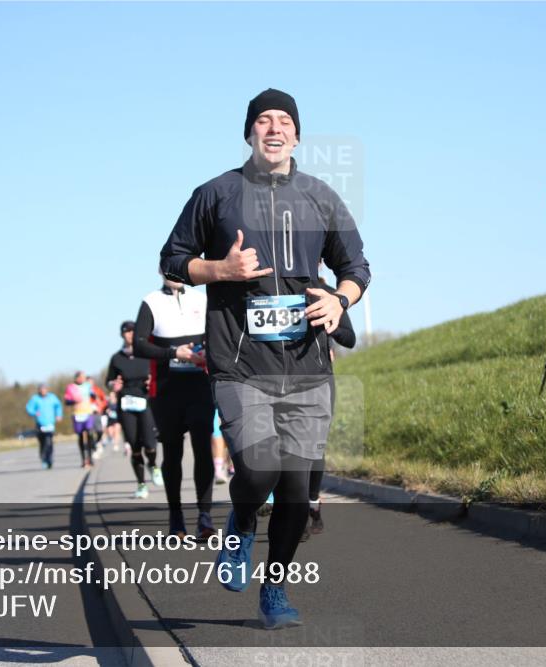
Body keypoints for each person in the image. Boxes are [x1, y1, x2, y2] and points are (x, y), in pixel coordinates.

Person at [159, 89, 370, 629]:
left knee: (298, 492)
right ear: (249, 133)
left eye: (284, 121)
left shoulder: (321, 196)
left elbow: (357, 267)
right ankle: (241, 520)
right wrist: (221, 270)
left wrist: (339, 298)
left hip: (306, 366)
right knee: (258, 469)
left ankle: (273, 588)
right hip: (239, 361)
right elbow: (173, 261)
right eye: (263, 121)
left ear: (297, 135)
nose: (274, 128)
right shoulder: (215, 194)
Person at [132, 273, 215, 538]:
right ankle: (176, 517)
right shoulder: (151, 301)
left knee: (203, 450)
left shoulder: (201, 299)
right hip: (166, 392)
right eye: (168, 270)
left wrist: (207, 354)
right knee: (173, 454)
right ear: (160, 272)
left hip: (200, 387)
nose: (174, 275)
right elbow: (139, 345)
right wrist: (173, 353)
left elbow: (219, 336)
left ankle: (205, 517)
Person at [302, 263, 357, 540]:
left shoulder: (327, 293)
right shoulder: (271, 292)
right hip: (279, 380)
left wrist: (331, 322)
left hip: (320, 380)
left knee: (314, 447)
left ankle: (312, 501)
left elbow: (349, 338)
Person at [106, 321, 161, 499]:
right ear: (122, 335)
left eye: (132, 331)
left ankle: (153, 465)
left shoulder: (146, 353)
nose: (129, 335)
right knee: (134, 446)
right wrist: (114, 384)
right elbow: (109, 381)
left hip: (145, 401)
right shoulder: (117, 358)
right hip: (127, 404)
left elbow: (159, 372)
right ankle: (141, 484)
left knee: (150, 445)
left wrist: (152, 380)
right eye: (126, 332)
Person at [64, 371, 98, 469]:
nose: (83, 379)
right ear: (76, 378)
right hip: (77, 414)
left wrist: (93, 397)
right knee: (80, 436)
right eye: (81, 377)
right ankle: (83, 459)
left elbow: (93, 396)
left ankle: (90, 458)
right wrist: (73, 401)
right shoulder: (70, 387)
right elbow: (66, 401)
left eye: (84, 377)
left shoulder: (88, 386)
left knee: (90, 433)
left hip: (88, 413)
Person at [26, 383, 63, 469]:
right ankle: (43, 459)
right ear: (39, 390)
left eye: (44, 389)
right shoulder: (35, 399)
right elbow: (29, 408)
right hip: (40, 424)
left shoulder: (52, 397)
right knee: (42, 443)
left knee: (49, 442)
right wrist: (34, 413)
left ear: (47, 390)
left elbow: (58, 406)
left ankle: (49, 459)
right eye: (41, 389)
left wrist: (58, 415)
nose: (43, 391)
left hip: (50, 424)